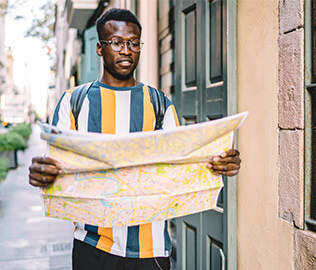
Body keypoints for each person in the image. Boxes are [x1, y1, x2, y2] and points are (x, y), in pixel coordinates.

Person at [28, 8, 241, 270]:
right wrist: (42, 172)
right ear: (99, 48)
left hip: (150, 251)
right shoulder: (74, 102)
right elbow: (57, 166)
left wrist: (218, 163)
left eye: (134, 43)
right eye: (117, 42)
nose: (127, 50)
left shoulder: (159, 103)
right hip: (91, 245)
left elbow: (182, 165)